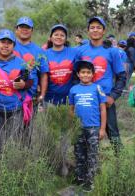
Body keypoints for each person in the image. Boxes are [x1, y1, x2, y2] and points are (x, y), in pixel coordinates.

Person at [75, 16, 126, 154]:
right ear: (88, 31)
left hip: (106, 100)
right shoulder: (80, 51)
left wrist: (113, 96)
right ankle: (87, 167)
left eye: (98, 27)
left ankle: (121, 165)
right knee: (83, 135)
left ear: (103, 31)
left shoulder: (112, 51)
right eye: (92, 27)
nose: (95, 30)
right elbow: (75, 75)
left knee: (113, 134)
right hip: (85, 99)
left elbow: (121, 76)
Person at [0, 29, 33, 151]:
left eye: (9, 43)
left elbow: (30, 81)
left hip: (16, 111)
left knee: (14, 144)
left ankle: (14, 167)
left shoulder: (21, 63)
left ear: (13, 46)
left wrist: (24, 84)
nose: (6, 45)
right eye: (3, 42)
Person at [69, 60, 107, 192]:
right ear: (78, 74)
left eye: (88, 72)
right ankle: (80, 177)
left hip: (93, 128)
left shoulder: (97, 88)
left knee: (92, 154)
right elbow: (71, 109)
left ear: (92, 74)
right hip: (78, 127)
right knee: (79, 153)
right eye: (83, 72)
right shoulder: (73, 89)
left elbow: (103, 109)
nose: (85, 75)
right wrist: (71, 126)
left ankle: (90, 181)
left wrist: (102, 129)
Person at [44, 24, 76, 105]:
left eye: (62, 35)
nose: (59, 37)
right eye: (56, 35)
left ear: (65, 39)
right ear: (51, 38)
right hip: (49, 100)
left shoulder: (74, 52)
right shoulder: (44, 54)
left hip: (70, 100)